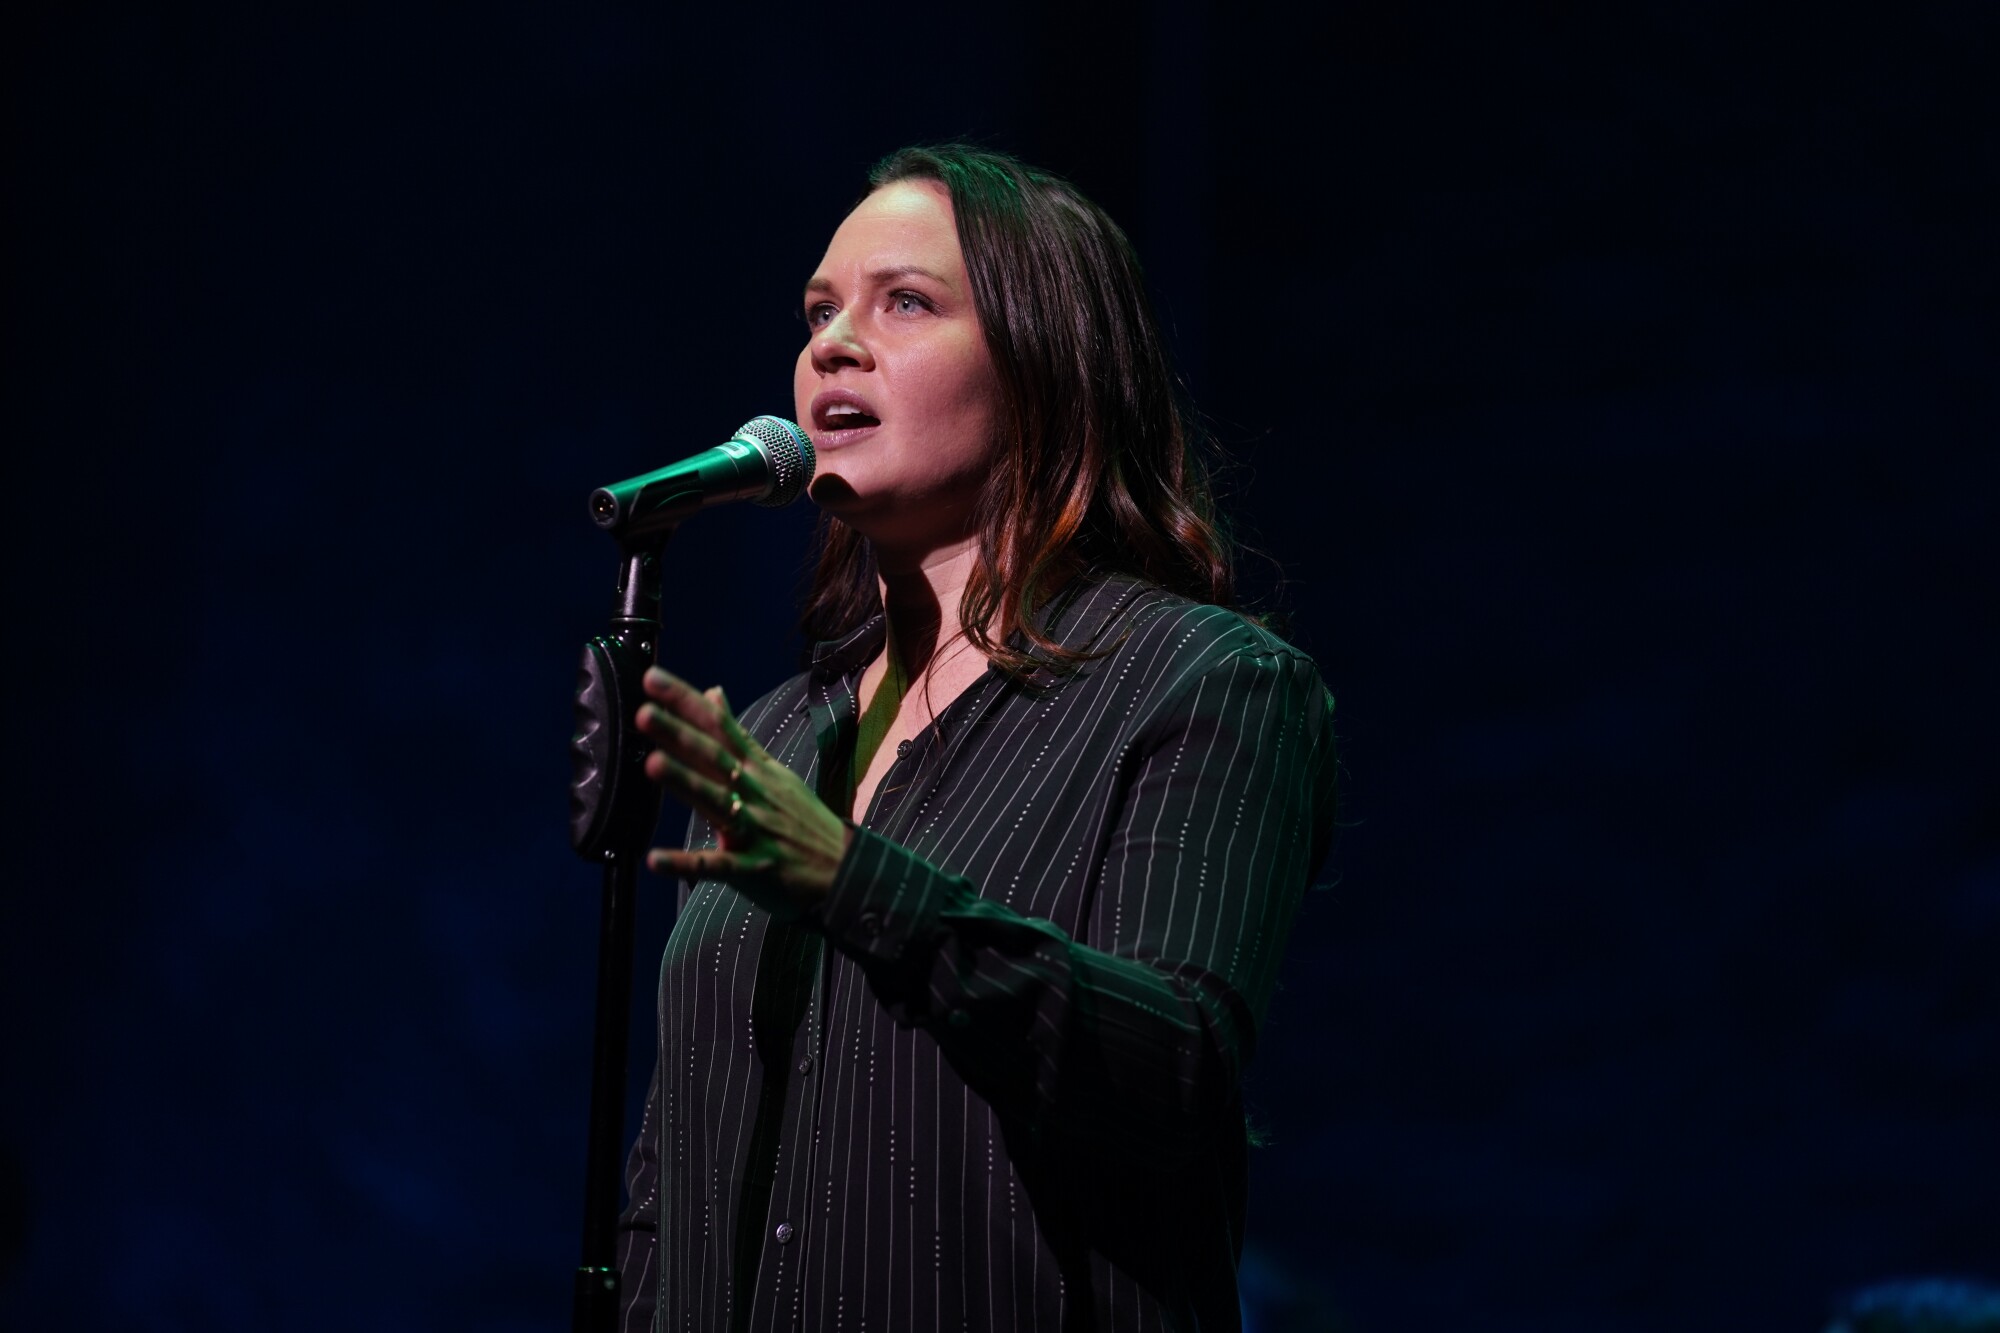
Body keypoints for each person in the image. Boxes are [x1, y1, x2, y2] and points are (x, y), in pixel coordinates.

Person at [615, 144, 1338, 1332]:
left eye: (905, 303)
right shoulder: (781, 737)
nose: (831, 344)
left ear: (1047, 366)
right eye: (817, 312)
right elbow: (673, 1175)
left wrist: (857, 883)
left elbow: (1174, 1075)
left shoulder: (1205, 683)